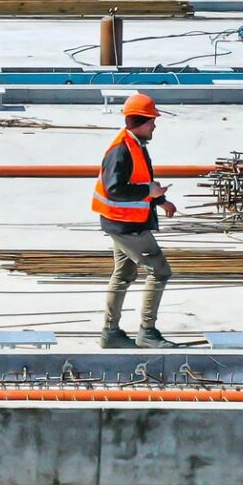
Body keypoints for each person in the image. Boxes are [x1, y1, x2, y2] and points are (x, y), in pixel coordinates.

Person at [92, 92, 178, 348]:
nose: (155, 125)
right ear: (141, 121)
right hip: (127, 226)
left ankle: (110, 332)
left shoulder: (134, 146)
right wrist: (149, 193)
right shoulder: (120, 151)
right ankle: (147, 332)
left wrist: (160, 201)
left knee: (124, 274)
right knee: (160, 271)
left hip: (123, 223)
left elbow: (141, 183)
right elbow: (115, 189)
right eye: (152, 121)